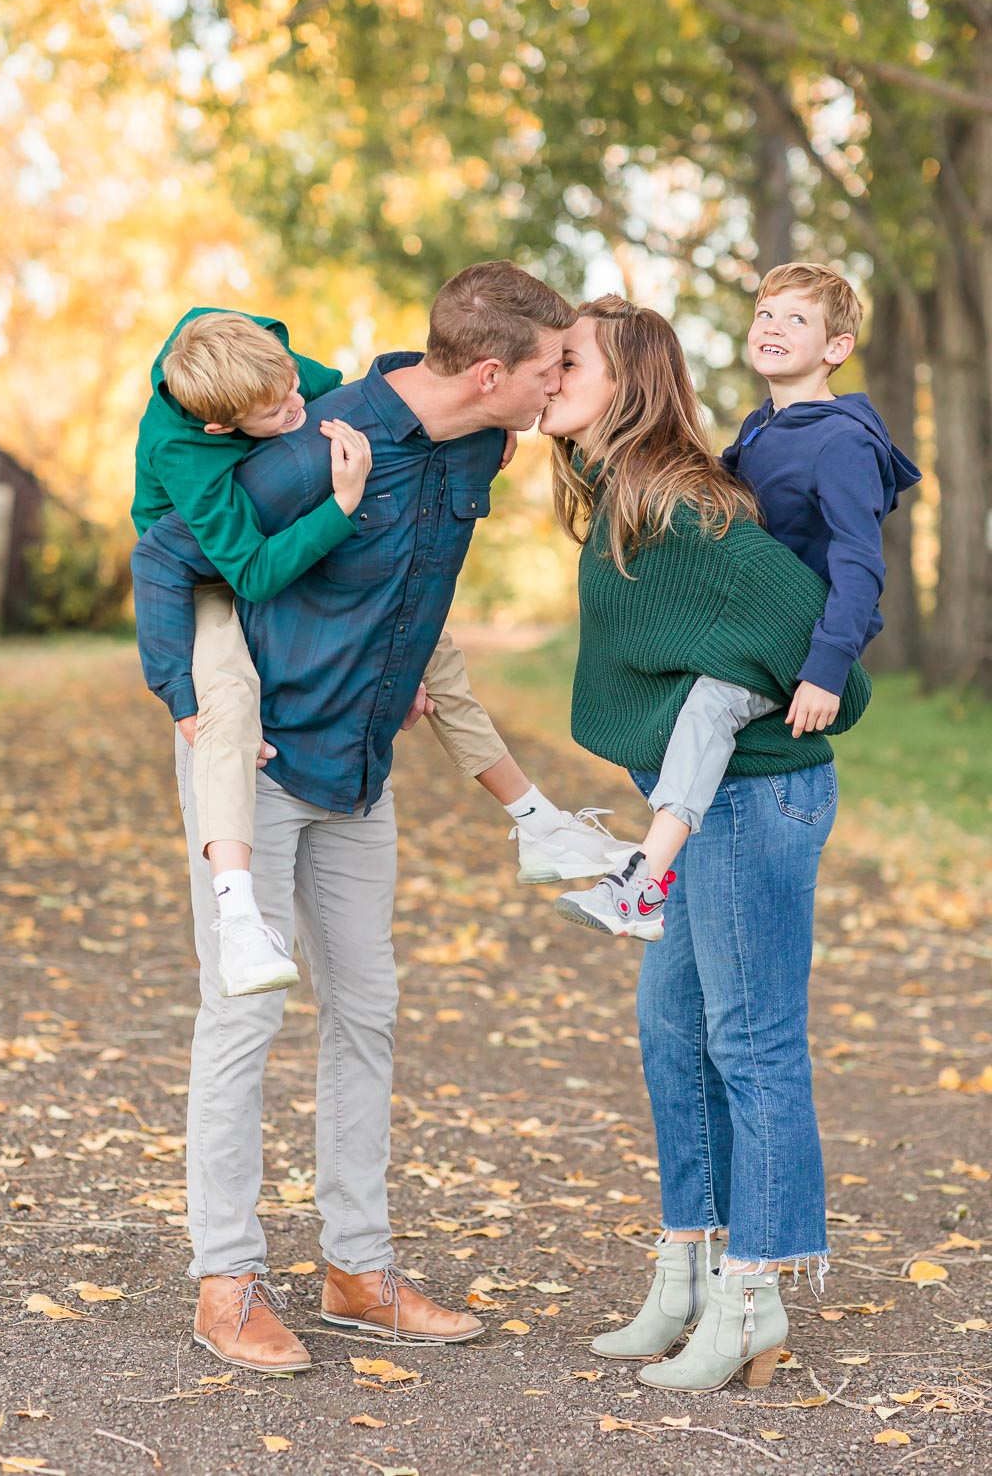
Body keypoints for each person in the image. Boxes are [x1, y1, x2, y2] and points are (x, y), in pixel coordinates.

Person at [131, 261, 597, 1375]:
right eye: (548, 369)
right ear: (492, 373)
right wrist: (194, 704)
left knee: (368, 1013)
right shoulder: (315, 444)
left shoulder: (483, 443)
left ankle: (357, 1269)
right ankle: (228, 1278)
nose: (555, 388)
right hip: (266, 766)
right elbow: (168, 556)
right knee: (243, 1017)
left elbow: (421, 590)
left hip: (361, 772)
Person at [539, 295, 872, 1393]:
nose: (545, 376)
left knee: (752, 1042)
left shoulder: (688, 512)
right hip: (705, 804)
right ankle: (687, 1269)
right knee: (670, 1031)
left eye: (566, 361)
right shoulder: (616, 491)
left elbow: (833, 661)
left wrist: (815, 679)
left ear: (625, 382)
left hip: (755, 802)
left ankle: (754, 1299)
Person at [133, 309, 633, 996]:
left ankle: (537, 820)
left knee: (435, 652)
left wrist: (475, 425)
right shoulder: (190, 458)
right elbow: (224, 569)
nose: (299, 413)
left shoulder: (276, 366)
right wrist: (177, 696)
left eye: (294, 394)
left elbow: (371, 389)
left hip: (272, 548)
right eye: (279, 415)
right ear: (224, 429)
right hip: (208, 582)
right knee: (225, 704)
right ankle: (237, 911)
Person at [555, 263, 921, 941]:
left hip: (799, 648)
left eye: (797, 319)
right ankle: (646, 872)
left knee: (708, 709)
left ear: (836, 348)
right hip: (753, 638)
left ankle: (644, 877)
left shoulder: (842, 442)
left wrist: (826, 666)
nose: (773, 327)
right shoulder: (761, 429)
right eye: (765, 314)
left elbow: (861, 563)